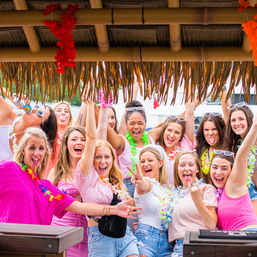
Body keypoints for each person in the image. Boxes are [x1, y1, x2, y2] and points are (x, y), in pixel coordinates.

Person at [0, 127, 140, 227]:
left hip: (34, 247)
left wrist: (113, 210)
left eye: (41, 148)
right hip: (9, 242)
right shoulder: (9, 168)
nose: (37, 153)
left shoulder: (45, 188)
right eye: (32, 148)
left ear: (46, 153)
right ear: (23, 151)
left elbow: (79, 207)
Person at [74, 101, 139, 257]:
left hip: (125, 236)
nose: (103, 161)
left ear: (112, 159)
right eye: (98, 157)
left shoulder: (116, 180)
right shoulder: (87, 177)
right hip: (101, 237)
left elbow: (103, 129)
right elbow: (91, 137)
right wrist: (90, 105)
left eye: (107, 157)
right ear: (91, 160)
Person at [209, 110, 257, 231]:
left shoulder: (234, 184)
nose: (218, 172)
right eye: (214, 167)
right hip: (232, 240)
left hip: (248, 235)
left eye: (224, 168)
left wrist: (255, 126)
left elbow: (241, 157)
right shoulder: (218, 194)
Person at [48, 127, 88, 257]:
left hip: (87, 234)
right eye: (74, 139)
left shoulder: (93, 171)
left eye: (83, 139)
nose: (79, 142)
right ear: (66, 144)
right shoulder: (56, 172)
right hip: (61, 232)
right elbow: (46, 201)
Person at [168, 151, 217, 257]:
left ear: (197, 169)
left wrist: (197, 200)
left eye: (191, 164)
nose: (186, 168)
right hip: (177, 247)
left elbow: (212, 224)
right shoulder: (173, 195)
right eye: (182, 165)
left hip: (200, 245)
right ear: (177, 169)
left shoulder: (206, 189)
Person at [130, 145, 173, 257]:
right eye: (142, 161)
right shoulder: (145, 183)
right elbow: (143, 186)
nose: (145, 164)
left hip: (166, 241)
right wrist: (139, 181)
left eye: (150, 160)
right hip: (146, 237)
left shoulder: (167, 188)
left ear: (160, 163)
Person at [107, 100, 156, 197]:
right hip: (130, 188)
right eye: (132, 123)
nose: (136, 126)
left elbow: (173, 124)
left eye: (140, 123)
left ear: (146, 124)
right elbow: (105, 126)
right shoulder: (122, 142)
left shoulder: (151, 137)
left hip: (152, 186)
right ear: (126, 124)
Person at [0, 95, 57, 162]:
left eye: (39, 113)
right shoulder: (8, 115)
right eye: (36, 107)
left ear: (40, 130)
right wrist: (11, 95)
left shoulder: (29, 153)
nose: (33, 110)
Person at [224, 102, 257, 214]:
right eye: (233, 120)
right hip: (237, 196)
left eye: (241, 119)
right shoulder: (233, 145)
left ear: (249, 120)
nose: (237, 123)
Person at [154, 99, 196, 185]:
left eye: (177, 132)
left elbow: (190, 113)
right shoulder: (157, 150)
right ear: (163, 131)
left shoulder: (184, 145)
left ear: (181, 136)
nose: (172, 135)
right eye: (169, 130)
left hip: (181, 191)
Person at [44, 101, 73, 176]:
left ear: (70, 117)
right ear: (52, 115)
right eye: (59, 110)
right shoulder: (46, 133)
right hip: (46, 178)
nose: (63, 113)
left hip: (65, 178)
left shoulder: (73, 136)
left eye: (66, 111)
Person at [196, 113, 226, 183]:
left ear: (221, 130)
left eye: (214, 129)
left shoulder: (227, 149)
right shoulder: (200, 150)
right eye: (206, 130)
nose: (210, 133)